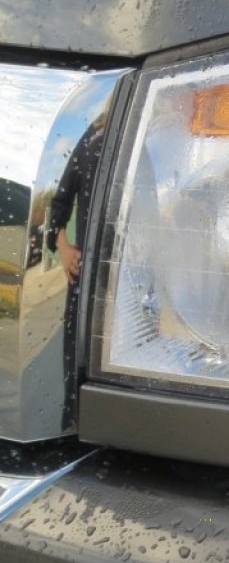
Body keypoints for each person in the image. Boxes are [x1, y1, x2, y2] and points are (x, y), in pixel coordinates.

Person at [46, 115, 106, 429]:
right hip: (85, 279)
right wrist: (64, 247)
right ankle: (72, 432)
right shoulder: (93, 137)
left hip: (131, 283)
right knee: (77, 368)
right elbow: (61, 199)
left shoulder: (147, 134)